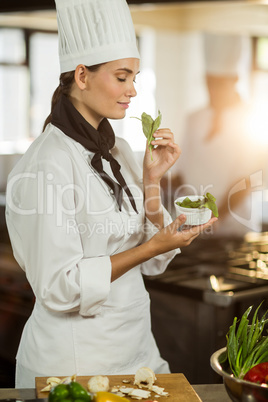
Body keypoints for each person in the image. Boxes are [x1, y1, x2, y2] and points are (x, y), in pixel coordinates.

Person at [5, 0, 217, 388]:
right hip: (74, 361)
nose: (133, 90)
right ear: (82, 75)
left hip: (136, 348)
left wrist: (151, 181)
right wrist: (153, 247)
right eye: (122, 77)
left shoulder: (117, 149)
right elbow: (60, 286)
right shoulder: (46, 165)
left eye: (134, 77)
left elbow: (148, 261)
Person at [167, 33, 263, 237]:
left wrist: (215, 215)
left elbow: (248, 180)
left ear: (234, 80)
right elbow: (181, 173)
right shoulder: (194, 118)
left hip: (235, 228)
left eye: (219, 83)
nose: (212, 89)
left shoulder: (251, 119)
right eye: (209, 82)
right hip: (195, 226)